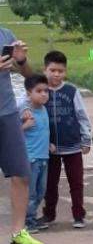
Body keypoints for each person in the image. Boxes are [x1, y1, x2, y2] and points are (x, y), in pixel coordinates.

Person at [0, 27, 44, 244]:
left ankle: (19, 232)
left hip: (7, 112)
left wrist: (21, 59)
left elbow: (29, 76)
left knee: (21, 172)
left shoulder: (5, 35)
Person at [41, 51, 92, 229]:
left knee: (76, 182)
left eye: (60, 71)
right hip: (48, 148)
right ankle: (48, 214)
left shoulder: (71, 91)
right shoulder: (40, 90)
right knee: (49, 183)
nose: (56, 74)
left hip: (73, 145)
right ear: (44, 69)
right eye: (52, 70)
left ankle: (79, 215)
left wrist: (86, 139)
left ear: (65, 71)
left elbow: (82, 115)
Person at [19, 74, 53, 233]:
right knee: (31, 193)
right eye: (39, 91)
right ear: (28, 93)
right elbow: (12, 134)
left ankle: (32, 218)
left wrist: (49, 144)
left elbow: (42, 131)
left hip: (44, 157)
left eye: (46, 91)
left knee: (41, 192)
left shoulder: (44, 109)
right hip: (30, 158)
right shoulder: (25, 111)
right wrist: (25, 126)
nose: (44, 94)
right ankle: (28, 222)